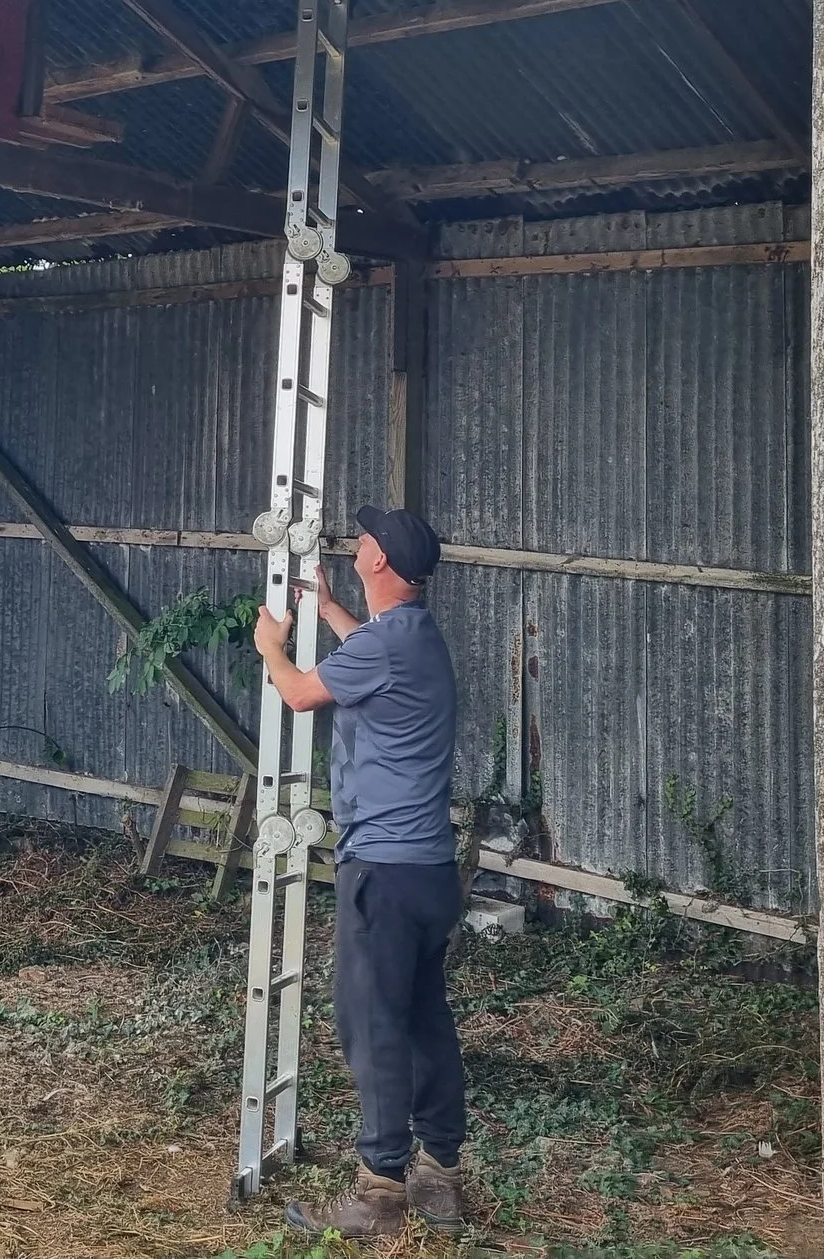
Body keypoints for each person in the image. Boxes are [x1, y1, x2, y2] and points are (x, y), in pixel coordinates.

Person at [251, 503, 466, 1240]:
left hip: (383, 868)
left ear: (379, 561)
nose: (358, 541)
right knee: (425, 1016)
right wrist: (332, 607)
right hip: (430, 870)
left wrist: (270, 646)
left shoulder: (385, 648)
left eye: (365, 539)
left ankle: (379, 1190)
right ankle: (440, 1174)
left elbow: (304, 692)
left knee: (372, 1021)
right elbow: (366, 649)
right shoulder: (414, 637)